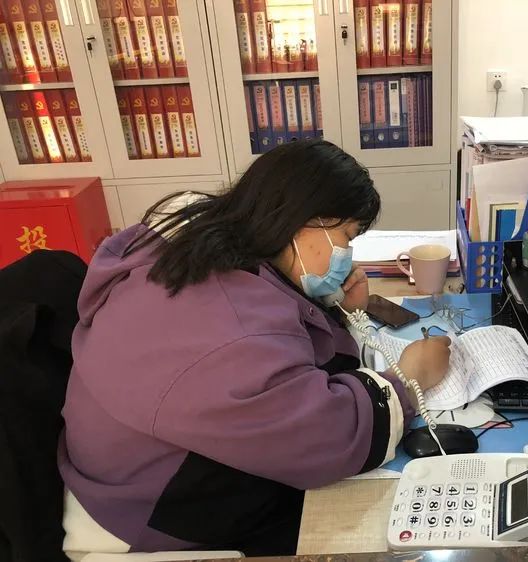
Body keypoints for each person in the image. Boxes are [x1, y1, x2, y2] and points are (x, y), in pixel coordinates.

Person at [58, 140, 451, 558]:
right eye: (346, 237)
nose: (347, 256)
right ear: (303, 221)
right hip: (144, 514)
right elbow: (328, 440)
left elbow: (288, 363)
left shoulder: (202, 246)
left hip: (122, 473)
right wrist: (409, 380)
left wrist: (336, 308)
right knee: (390, 528)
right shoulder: (232, 329)